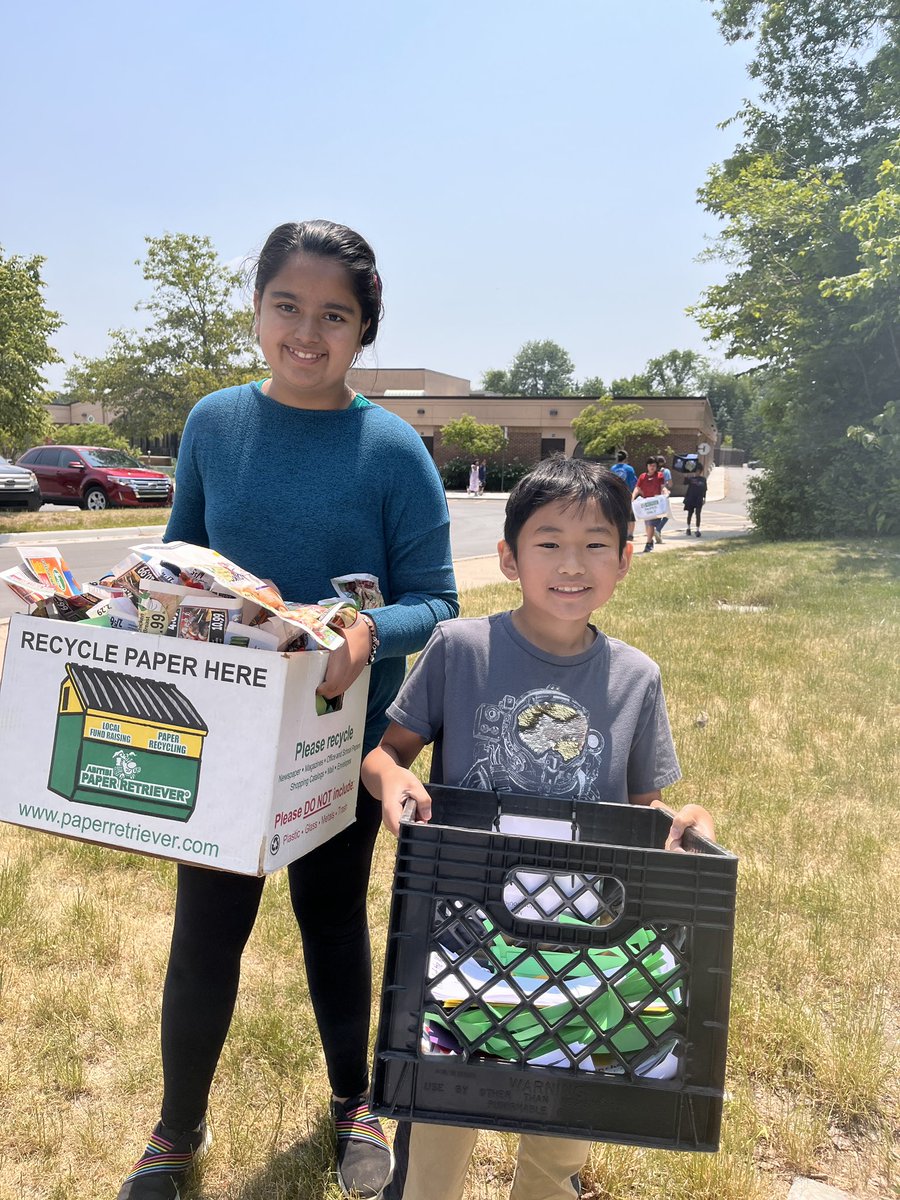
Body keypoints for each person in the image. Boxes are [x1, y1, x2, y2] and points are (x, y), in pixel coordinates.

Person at [116, 220, 459, 1200]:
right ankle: (178, 1130)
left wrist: (367, 633)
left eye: (334, 316)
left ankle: (355, 1104)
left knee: (331, 921)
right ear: (258, 309)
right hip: (223, 733)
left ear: (364, 330)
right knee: (205, 932)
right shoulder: (214, 424)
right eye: (287, 307)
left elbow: (437, 600)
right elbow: (180, 558)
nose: (307, 333)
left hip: (338, 743)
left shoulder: (392, 449)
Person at [361, 457, 714, 1200]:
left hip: (583, 946)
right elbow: (386, 754)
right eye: (548, 543)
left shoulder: (635, 677)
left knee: (561, 1124)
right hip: (461, 934)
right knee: (438, 1113)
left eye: (595, 545)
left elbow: (643, 811)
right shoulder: (461, 649)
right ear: (509, 557)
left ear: (624, 559)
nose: (571, 565)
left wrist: (686, 824)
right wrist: (392, 780)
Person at [632, 457, 669, 553]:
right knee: (648, 524)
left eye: (654, 466)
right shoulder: (642, 476)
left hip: (655, 503)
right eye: (650, 465)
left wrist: (665, 493)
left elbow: (662, 487)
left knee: (651, 524)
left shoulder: (659, 475)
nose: (652, 467)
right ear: (647, 466)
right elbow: (637, 488)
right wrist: (633, 497)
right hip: (646, 503)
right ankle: (650, 540)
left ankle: (648, 543)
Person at [654, 455, 672, 541]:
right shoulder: (666, 471)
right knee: (667, 515)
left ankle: (658, 534)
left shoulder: (653, 471)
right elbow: (670, 484)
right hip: (663, 495)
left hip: (654, 495)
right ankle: (658, 529)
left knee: (658, 515)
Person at [684, 470, 708, 536]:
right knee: (690, 514)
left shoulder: (703, 479)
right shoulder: (691, 479)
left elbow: (704, 489)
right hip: (691, 498)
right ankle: (688, 528)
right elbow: (685, 483)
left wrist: (704, 498)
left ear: (700, 472)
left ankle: (697, 530)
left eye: (698, 471)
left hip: (699, 498)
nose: (697, 473)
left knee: (698, 514)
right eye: (695, 471)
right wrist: (686, 476)